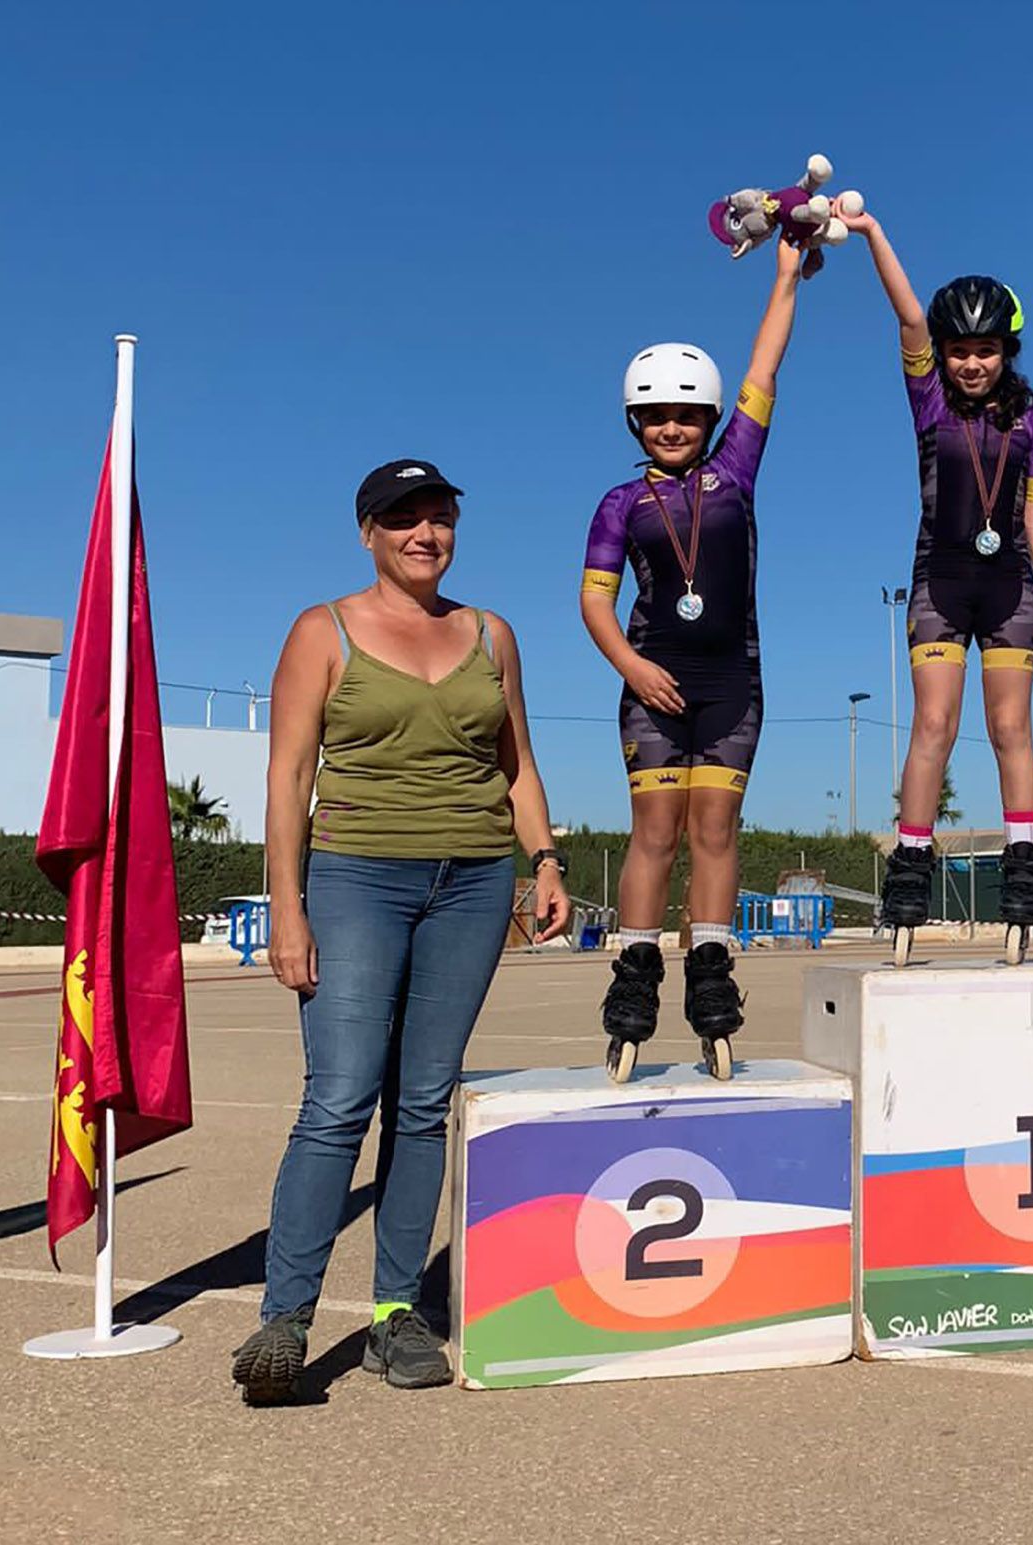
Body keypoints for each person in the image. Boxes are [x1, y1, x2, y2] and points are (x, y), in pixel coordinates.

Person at [233, 459, 570, 1404]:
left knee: (424, 1101)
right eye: (405, 519)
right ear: (368, 532)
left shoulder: (491, 634)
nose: (426, 533)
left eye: (441, 517)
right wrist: (287, 907)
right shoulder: (322, 630)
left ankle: (393, 1315)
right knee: (339, 1098)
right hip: (355, 879)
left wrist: (543, 862)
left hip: (472, 881)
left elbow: (518, 766)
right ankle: (285, 1317)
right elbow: (287, 777)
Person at [580, 239, 806, 1077]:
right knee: (654, 834)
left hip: (732, 688)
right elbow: (593, 601)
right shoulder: (620, 502)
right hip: (652, 687)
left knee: (715, 830)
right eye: (655, 416)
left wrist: (786, 276)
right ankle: (635, 979)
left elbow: (766, 367)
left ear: (712, 421)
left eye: (688, 415)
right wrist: (631, 670)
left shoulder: (736, 475)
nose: (672, 427)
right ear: (634, 422)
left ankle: (709, 977)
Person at [839, 206, 1033, 959]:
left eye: (986, 351)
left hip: (1011, 592)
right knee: (932, 725)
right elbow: (906, 314)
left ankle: (1024, 875)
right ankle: (909, 870)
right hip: (939, 583)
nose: (972, 364)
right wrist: (873, 234)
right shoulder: (928, 403)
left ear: (1008, 350)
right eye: (960, 350)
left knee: (1011, 729)